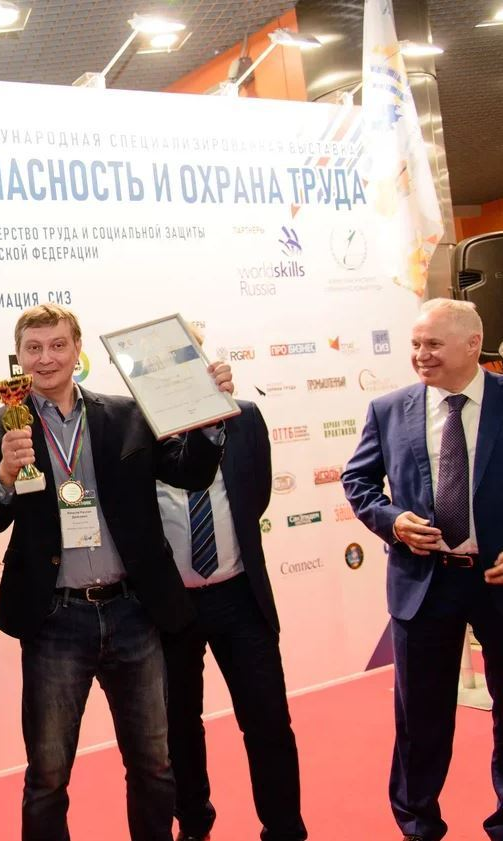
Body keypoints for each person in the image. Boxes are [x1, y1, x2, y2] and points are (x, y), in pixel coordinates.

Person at [0, 304, 231, 841]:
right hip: (55, 620)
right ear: (18, 357)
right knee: (48, 775)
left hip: (134, 612)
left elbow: (190, 473)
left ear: (78, 351)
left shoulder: (127, 414)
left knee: (154, 764)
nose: (46, 358)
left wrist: (209, 416)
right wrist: (5, 474)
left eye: (58, 345)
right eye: (34, 348)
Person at [343, 298, 503, 841]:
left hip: (496, 579)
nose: (420, 354)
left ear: (473, 344)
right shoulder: (389, 409)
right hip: (422, 583)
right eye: (415, 343)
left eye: (433, 344)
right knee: (420, 719)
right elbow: (359, 482)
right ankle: (418, 826)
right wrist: (393, 522)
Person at [156, 391, 306, 841]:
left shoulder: (244, 417)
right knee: (178, 726)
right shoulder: (134, 427)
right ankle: (194, 823)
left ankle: (284, 830)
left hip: (240, 595)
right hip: (170, 603)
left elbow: (256, 496)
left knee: (268, 720)